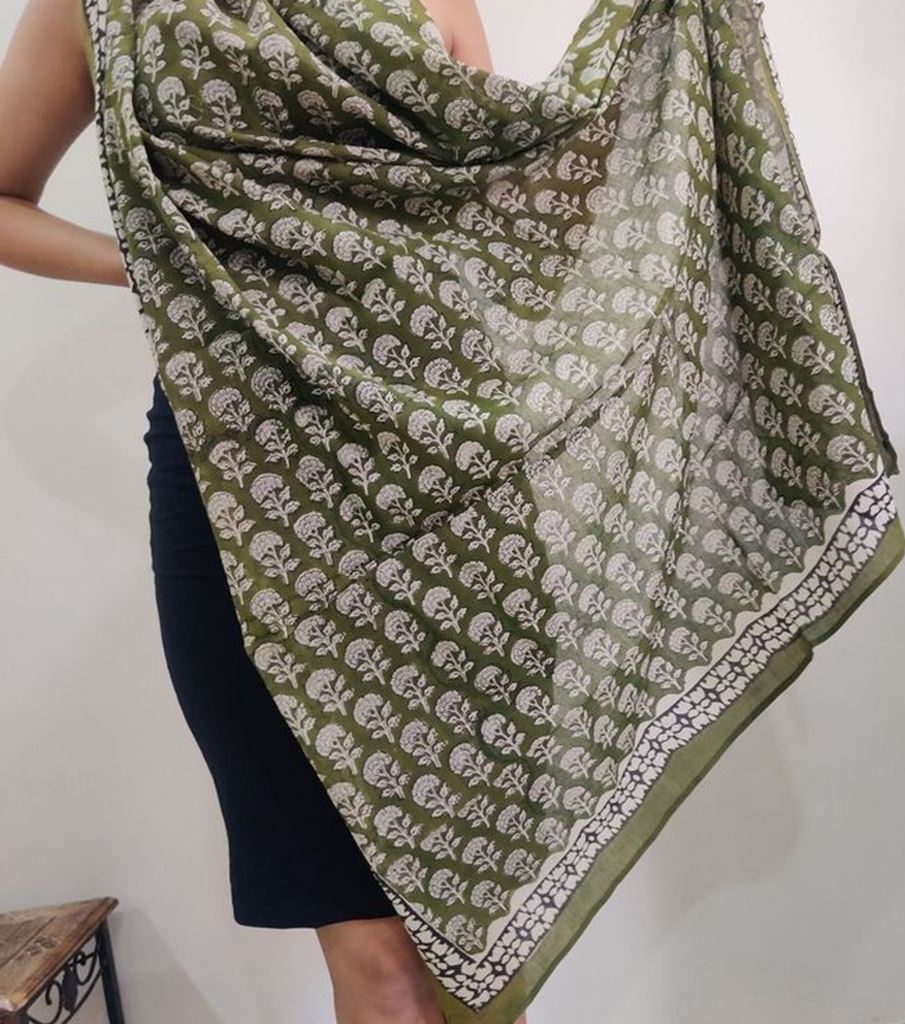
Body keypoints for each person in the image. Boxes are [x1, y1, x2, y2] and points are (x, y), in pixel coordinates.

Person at [0, 1, 523, 1022]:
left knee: (480, 934)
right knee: (379, 956)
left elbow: (490, 194)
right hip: (236, 486)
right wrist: (158, 259)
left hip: (443, 476)